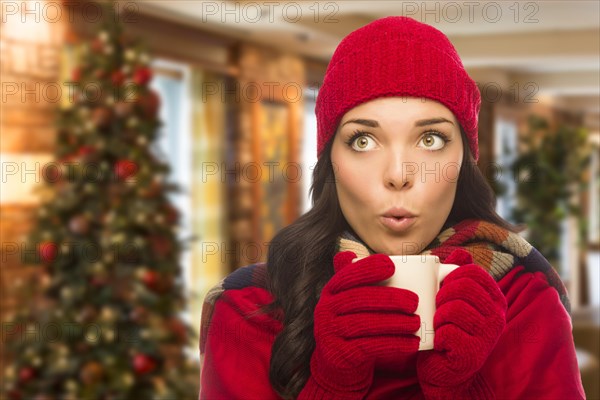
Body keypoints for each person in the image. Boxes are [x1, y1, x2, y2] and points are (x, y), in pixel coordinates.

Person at [199, 16, 585, 399]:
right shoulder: (247, 308)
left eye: (431, 139)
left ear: (463, 162)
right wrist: (332, 386)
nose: (399, 174)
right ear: (329, 161)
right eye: (363, 140)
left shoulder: (525, 298)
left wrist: (462, 389)